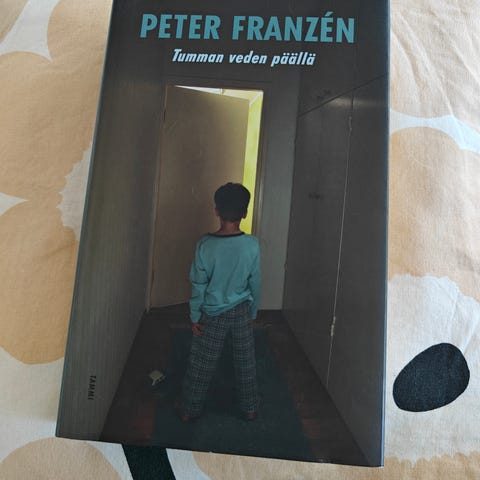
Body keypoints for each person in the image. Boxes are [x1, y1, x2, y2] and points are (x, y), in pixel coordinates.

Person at [178, 182, 260, 422]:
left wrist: (195, 316)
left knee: (202, 362)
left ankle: (189, 410)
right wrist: (253, 312)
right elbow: (255, 282)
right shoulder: (252, 244)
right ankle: (250, 408)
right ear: (245, 213)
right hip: (242, 310)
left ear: (216, 211)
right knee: (245, 360)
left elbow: (198, 285)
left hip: (212, 313)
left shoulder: (205, 245)